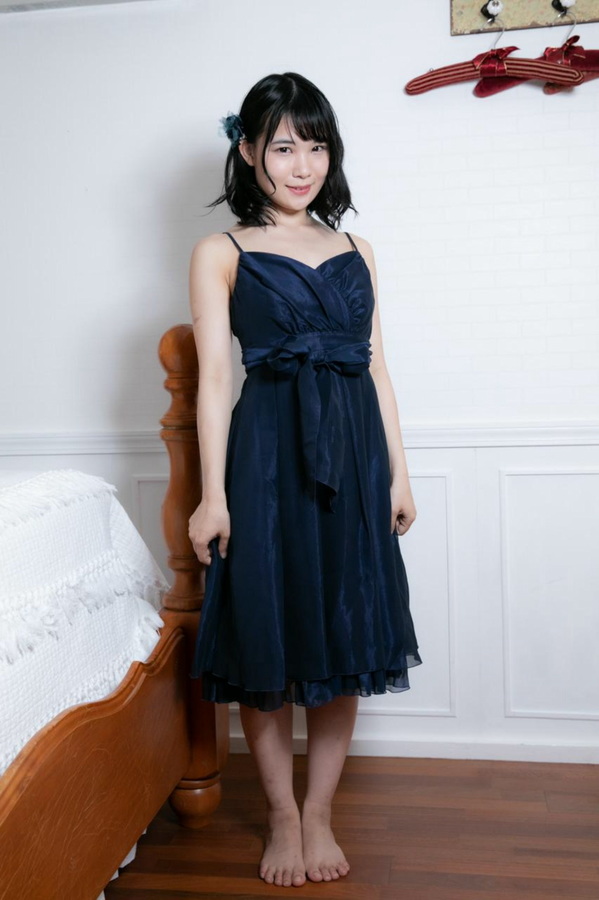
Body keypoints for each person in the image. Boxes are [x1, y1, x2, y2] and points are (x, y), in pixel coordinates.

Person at [187, 72, 422, 889]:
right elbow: (215, 380)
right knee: (266, 630)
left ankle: (318, 811)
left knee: (344, 630)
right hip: (265, 457)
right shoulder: (220, 252)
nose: (302, 165)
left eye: (316, 147)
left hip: (352, 458)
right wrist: (212, 496)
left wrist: (397, 475)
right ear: (249, 151)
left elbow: (377, 370)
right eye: (284, 146)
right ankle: (281, 815)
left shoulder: (358, 250)